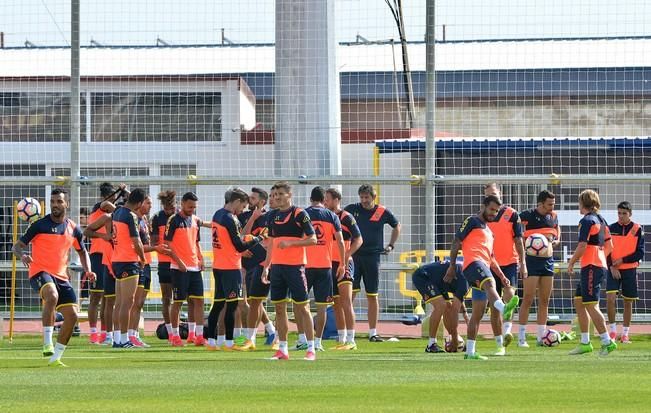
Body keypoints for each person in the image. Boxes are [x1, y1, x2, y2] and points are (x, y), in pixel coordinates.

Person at [12, 188, 95, 367]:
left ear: (67, 204)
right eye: (53, 201)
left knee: (72, 316)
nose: (55, 205)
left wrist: (88, 270)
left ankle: (55, 357)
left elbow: (83, 252)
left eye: (59, 201)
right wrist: (23, 255)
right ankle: (47, 342)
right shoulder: (39, 225)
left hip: (61, 276)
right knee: (52, 295)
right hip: (39, 272)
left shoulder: (73, 228)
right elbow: (16, 247)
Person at [445, 195, 520, 360]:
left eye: (496, 211)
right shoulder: (471, 221)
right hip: (473, 264)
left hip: (484, 266)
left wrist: (502, 276)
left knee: (477, 313)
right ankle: (503, 307)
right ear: (483, 206)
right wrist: (451, 266)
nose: (494, 213)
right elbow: (456, 241)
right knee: (490, 283)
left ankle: (470, 352)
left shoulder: (489, 232)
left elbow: (491, 258)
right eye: (491, 209)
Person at [261, 182, 318, 361]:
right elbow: (270, 243)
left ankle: (311, 349)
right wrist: (266, 267)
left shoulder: (299, 214)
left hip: (296, 267)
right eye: (275, 194)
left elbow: (313, 239)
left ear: (289, 195)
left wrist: (292, 243)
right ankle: (283, 349)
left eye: (280, 194)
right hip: (277, 268)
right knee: (279, 308)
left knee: (303, 308)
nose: (276, 197)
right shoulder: (272, 216)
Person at [207, 188, 265, 351]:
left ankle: (212, 342)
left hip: (218, 265)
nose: (243, 210)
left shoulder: (217, 214)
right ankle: (229, 342)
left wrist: (246, 237)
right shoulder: (230, 218)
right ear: (237, 201)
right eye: (243, 206)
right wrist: (257, 239)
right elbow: (239, 246)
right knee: (232, 306)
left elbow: (233, 239)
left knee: (218, 305)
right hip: (231, 267)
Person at [345, 184, 400, 342]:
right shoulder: (351, 209)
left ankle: (373, 332)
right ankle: (346, 332)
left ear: (373, 197)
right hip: (353, 257)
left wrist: (390, 245)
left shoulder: (382, 211)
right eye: (361, 197)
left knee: (372, 295)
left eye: (366, 198)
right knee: (349, 295)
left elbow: (396, 226)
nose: (363, 201)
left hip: (372, 258)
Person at [567, 190, 618, 356]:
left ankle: (606, 341)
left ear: (583, 203)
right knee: (579, 301)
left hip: (591, 266)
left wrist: (572, 262)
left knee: (590, 304)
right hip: (596, 265)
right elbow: (610, 246)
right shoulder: (602, 221)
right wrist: (601, 258)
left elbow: (582, 246)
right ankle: (585, 342)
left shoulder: (587, 221)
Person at [483, 183, 527, 354]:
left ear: (500, 194)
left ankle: (507, 331)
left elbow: (518, 240)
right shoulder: (482, 217)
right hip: (489, 264)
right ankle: (499, 344)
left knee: (510, 295)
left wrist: (523, 263)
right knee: (495, 305)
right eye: (488, 195)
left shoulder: (511, 214)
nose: (491, 197)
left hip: (509, 262)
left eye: (494, 193)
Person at [304, 186, 346, 352]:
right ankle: (318, 341)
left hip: (305, 265)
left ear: (311, 199)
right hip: (325, 266)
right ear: (324, 200)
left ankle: (303, 339)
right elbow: (341, 242)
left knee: (301, 305)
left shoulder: (303, 214)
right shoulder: (331, 216)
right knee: (322, 307)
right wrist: (342, 264)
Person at [85, 182, 126, 344]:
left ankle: (105, 332)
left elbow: (133, 201)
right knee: (95, 296)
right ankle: (93, 332)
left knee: (108, 297)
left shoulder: (115, 212)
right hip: (97, 255)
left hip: (112, 255)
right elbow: (107, 204)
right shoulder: (100, 206)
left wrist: (125, 191)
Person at [518, 190, 560, 347]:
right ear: (540, 203)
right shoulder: (526, 215)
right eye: (550, 204)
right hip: (531, 262)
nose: (552, 207)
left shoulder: (553, 216)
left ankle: (541, 337)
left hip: (548, 261)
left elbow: (557, 229)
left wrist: (556, 239)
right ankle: (521, 338)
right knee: (528, 298)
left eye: (553, 204)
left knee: (544, 300)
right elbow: (515, 233)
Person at [165, 192, 206, 347]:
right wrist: (179, 261)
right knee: (178, 302)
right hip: (179, 268)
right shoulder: (173, 220)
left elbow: (196, 242)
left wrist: (201, 259)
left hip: (194, 267)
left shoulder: (195, 220)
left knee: (198, 301)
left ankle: (196, 335)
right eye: (189, 206)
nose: (192, 210)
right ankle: (175, 337)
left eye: (194, 207)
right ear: (182, 204)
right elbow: (168, 243)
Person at [324, 187, 363, 350]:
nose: (325, 202)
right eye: (324, 199)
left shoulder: (346, 217)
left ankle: (351, 340)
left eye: (328, 199)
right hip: (329, 264)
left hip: (344, 263)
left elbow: (359, 239)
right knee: (337, 303)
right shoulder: (326, 217)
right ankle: (341, 339)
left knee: (347, 302)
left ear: (336, 200)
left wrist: (346, 256)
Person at [240, 187, 277, 349]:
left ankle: (271, 334)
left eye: (253, 198)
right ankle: (262, 333)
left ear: (262, 202)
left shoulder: (269, 217)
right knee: (253, 301)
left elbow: (267, 242)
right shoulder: (244, 216)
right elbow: (242, 237)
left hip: (262, 265)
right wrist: (252, 219)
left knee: (257, 301)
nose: (250, 201)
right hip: (246, 265)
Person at [111, 189, 147, 349]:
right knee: (128, 302)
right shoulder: (131, 216)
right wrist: (143, 258)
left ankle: (117, 338)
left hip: (117, 259)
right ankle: (125, 339)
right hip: (128, 260)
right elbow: (136, 241)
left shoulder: (117, 211)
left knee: (118, 303)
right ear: (139, 203)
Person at [606, 201, 644, 343]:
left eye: (624, 213)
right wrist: (612, 266)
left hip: (629, 269)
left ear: (630, 214)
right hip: (613, 270)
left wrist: (622, 260)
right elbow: (606, 250)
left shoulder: (637, 229)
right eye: (619, 213)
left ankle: (625, 334)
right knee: (610, 300)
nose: (621, 216)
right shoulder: (610, 228)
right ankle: (613, 332)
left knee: (627, 302)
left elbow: (640, 253)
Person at [412, 261, 468, 353]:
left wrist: (466, 316)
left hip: (439, 283)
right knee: (441, 305)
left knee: (448, 307)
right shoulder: (465, 280)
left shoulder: (464, 272)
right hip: (423, 277)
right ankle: (431, 344)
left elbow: (459, 299)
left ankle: (454, 338)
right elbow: (455, 311)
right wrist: (455, 338)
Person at [151, 190, 177, 341]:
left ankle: (177, 330)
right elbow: (154, 242)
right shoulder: (157, 218)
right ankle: (171, 332)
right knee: (167, 298)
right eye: (167, 207)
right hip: (165, 262)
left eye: (171, 207)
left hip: (178, 261)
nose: (169, 210)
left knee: (177, 300)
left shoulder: (180, 216)